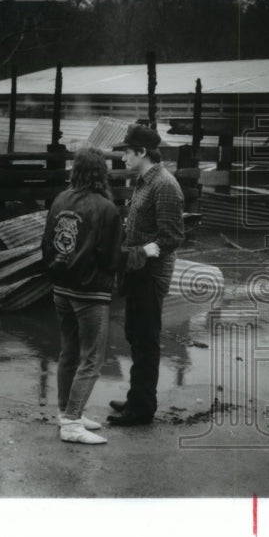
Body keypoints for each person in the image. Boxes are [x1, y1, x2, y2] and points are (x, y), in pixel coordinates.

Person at [41, 146, 123, 445]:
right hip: (90, 293)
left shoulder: (60, 199)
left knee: (69, 353)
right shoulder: (106, 208)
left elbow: (47, 244)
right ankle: (73, 424)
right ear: (102, 173)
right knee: (91, 359)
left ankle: (67, 413)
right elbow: (112, 258)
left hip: (61, 289)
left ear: (75, 170)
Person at [108, 123, 185, 426]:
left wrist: (138, 254)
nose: (123, 157)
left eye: (127, 152)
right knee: (135, 335)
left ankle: (141, 409)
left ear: (141, 152)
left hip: (150, 274)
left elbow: (171, 238)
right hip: (137, 270)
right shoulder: (144, 181)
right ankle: (136, 397)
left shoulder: (164, 185)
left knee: (146, 338)